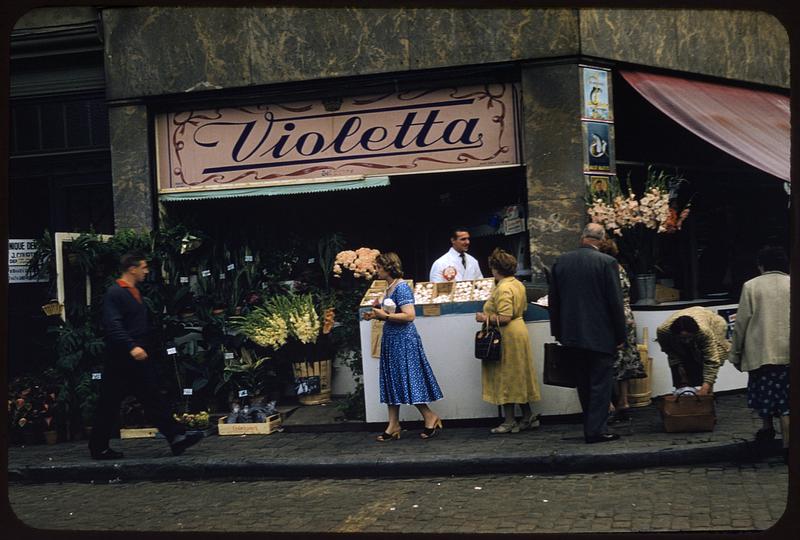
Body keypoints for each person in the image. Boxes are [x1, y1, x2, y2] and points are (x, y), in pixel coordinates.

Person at [89, 252, 202, 459]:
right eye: (143, 267)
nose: (146, 271)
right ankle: (98, 447)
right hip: (121, 359)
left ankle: (176, 437)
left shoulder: (133, 292)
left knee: (151, 396)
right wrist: (131, 346)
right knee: (110, 402)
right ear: (132, 269)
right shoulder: (116, 293)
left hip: (135, 357)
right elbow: (113, 324)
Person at [548, 223, 627, 444]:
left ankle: (590, 426)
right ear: (601, 241)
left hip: (571, 334)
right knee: (600, 383)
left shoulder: (561, 262)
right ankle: (596, 430)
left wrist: (558, 332)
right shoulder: (607, 263)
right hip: (601, 334)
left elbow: (554, 301)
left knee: (583, 383)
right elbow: (615, 302)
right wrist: (621, 335)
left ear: (582, 237)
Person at [363, 252, 444, 441]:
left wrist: (385, 316)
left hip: (404, 339)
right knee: (392, 379)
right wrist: (376, 314)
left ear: (389, 267)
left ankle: (429, 415)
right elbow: (391, 312)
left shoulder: (401, 288)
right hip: (391, 338)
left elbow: (409, 315)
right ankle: (393, 423)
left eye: (379, 267)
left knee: (409, 378)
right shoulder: (389, 288)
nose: (377, 271)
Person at [729, 246, 790, 464]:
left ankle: (767, 430)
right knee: (787, 404)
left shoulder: (751, 286)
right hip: (789, 356)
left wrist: (735, 354)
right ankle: (788, 448)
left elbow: (741, 323)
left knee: (764, 397)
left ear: (761, 265)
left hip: (762, 354)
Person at [475, 248, 541, 433]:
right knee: (518, 375)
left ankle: (509, 420)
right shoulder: (517, 284)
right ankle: (527, 416)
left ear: (496, 268)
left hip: (506, 334)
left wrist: (484, 318)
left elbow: (505, 316)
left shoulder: (503, 287)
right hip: (519, 332)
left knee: (506, 376)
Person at [598, 239, 646, 422]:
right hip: (627, 316)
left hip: (612, 316)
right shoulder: (621, 268)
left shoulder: (606, 270)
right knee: (625, 358)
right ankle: (624, 400)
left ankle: (609, 403)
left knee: (609, 359)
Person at [656, 306, 730, 396]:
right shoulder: (663, 332)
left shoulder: (704, 332)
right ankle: (682, 396)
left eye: (688, 337)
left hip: (714, 323)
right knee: (683, 361)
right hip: (686, 324)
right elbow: (671, 352)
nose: (686, 341)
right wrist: (682, 376)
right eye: (683, 338)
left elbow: (712, 360)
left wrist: (705, 387)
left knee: (712, 358)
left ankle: (707, 397)